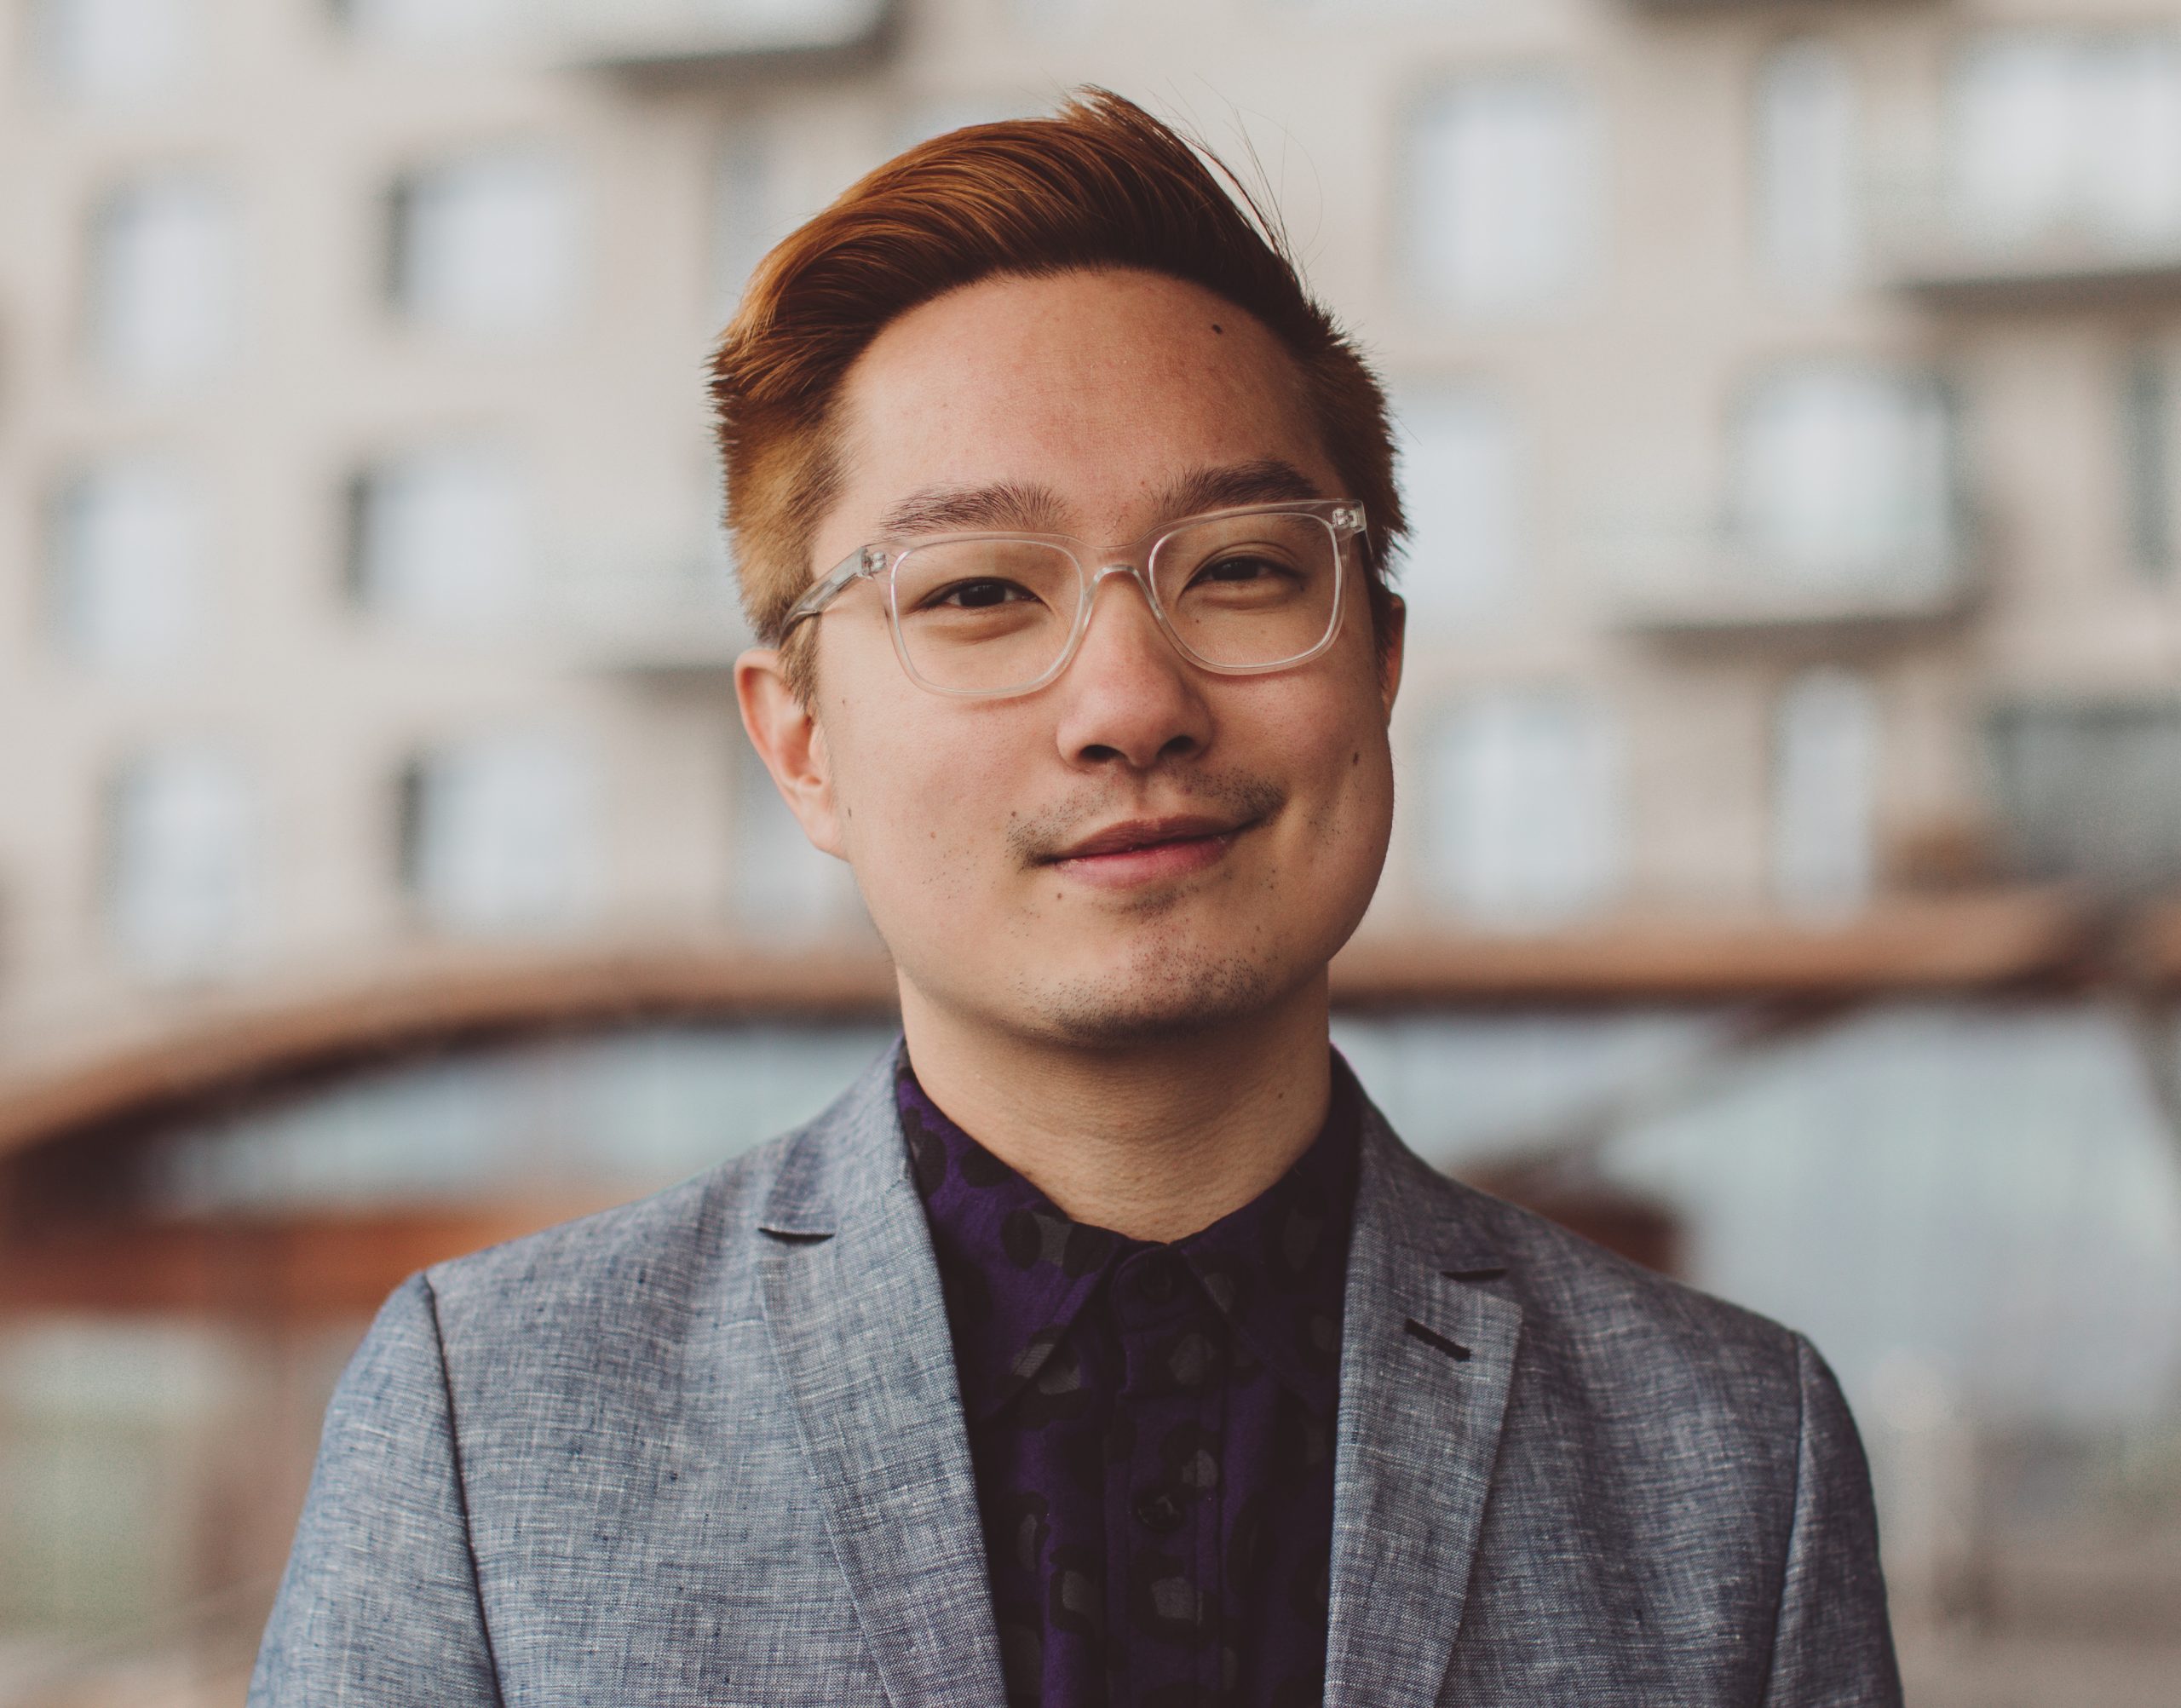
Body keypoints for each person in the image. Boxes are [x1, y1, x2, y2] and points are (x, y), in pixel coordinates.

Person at [250, 90, 1902, 1707]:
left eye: (1242, 567)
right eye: (975, 590)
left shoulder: (1731, 1455)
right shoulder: (501, 1411)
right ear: (802, 741)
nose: (1129, 699)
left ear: (1378, 664)